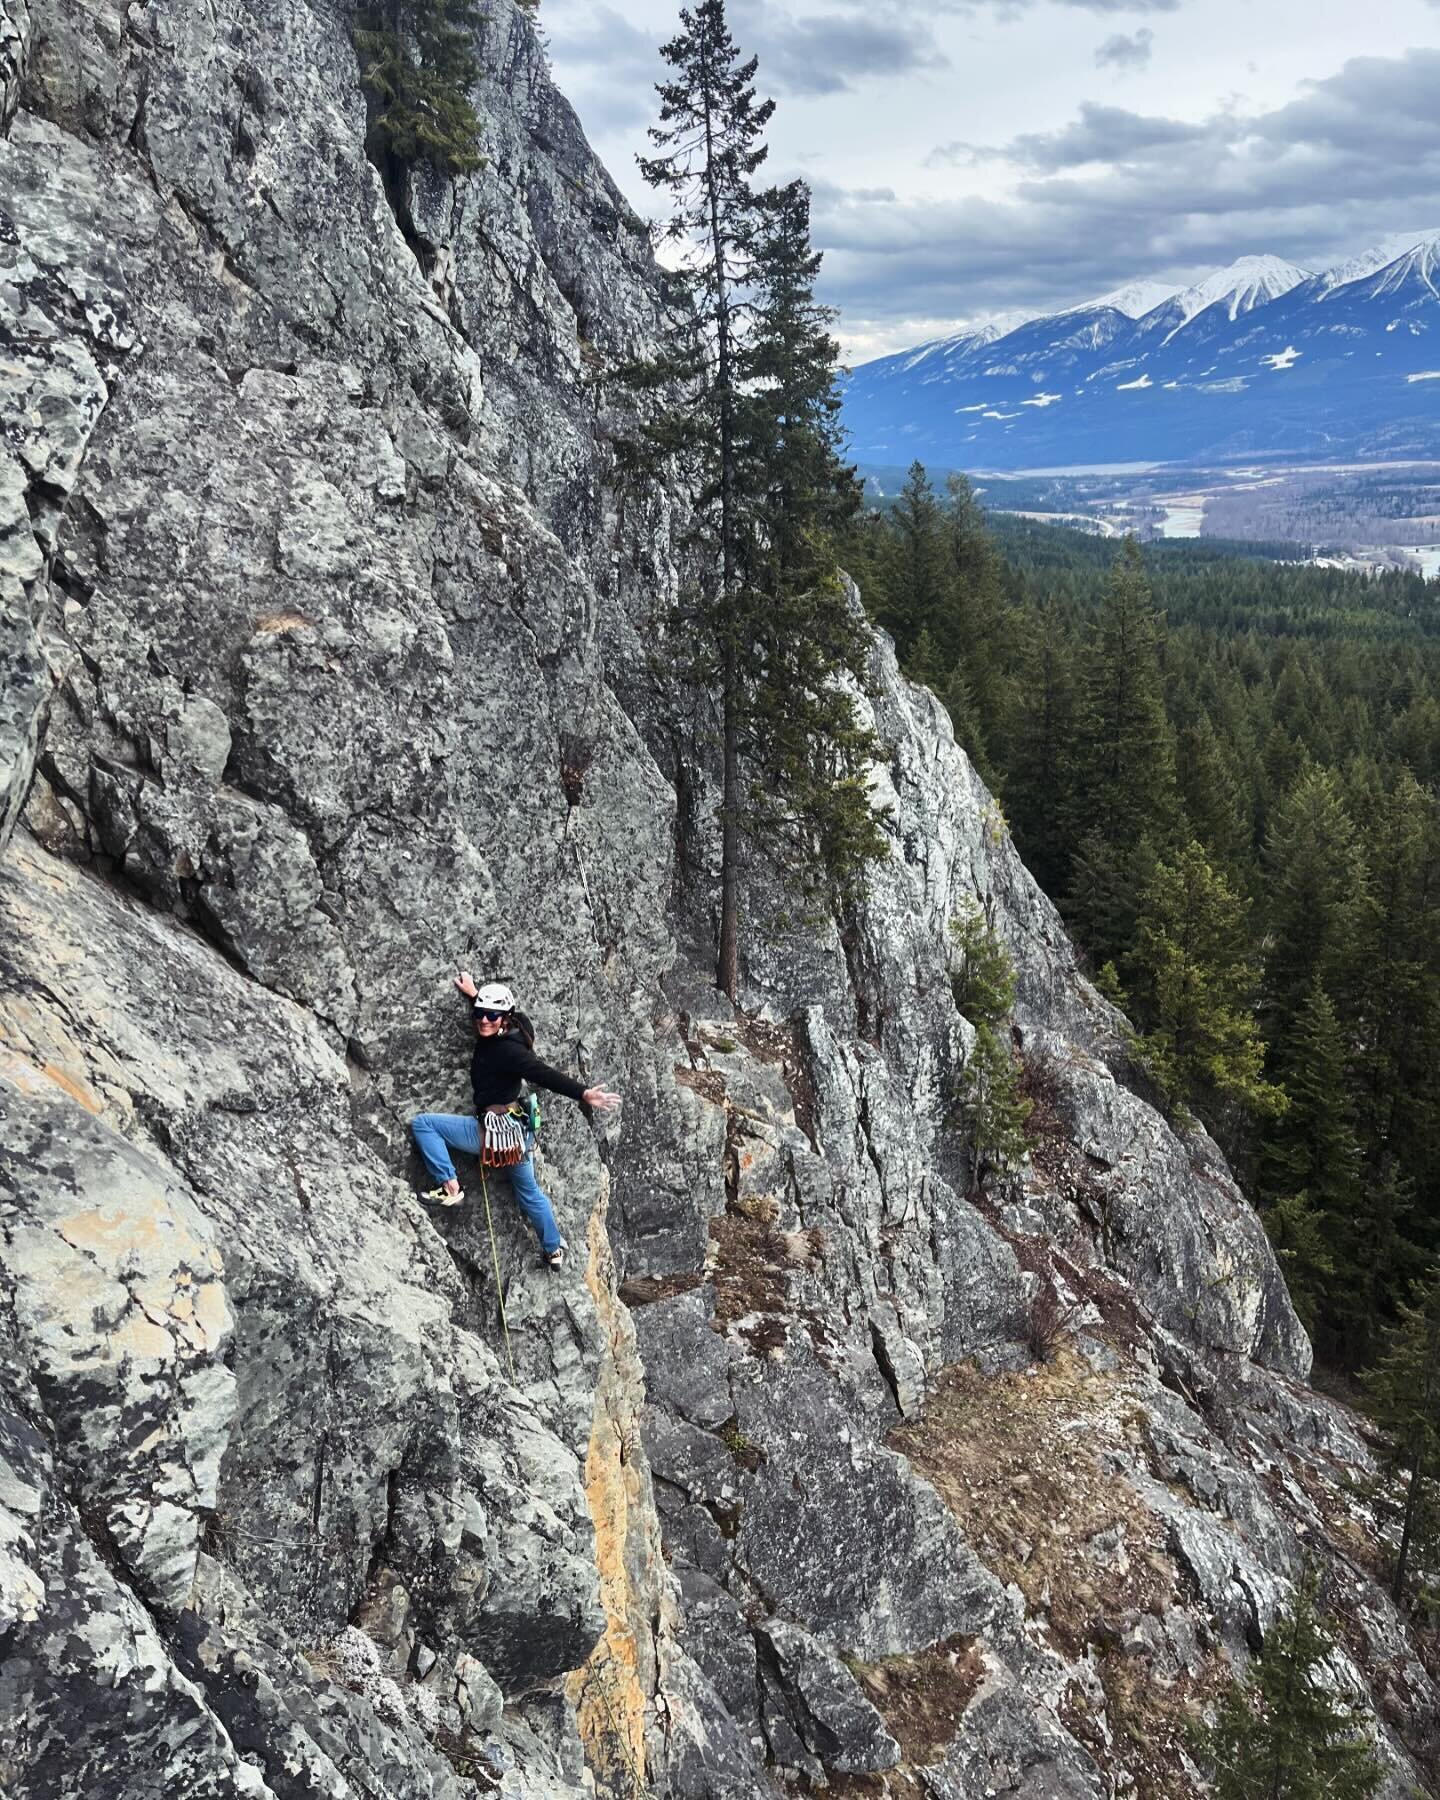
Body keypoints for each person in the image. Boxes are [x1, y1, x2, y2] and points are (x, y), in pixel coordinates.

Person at [411, 975, 620, 1270]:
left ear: (503, 1018)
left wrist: (583, 1093)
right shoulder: (516, 1026)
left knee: (424, 1125)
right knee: (530, 1193)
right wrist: (475, 995)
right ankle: (553, 1248)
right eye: (479, 1015)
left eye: (491, 1016)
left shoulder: (509, 1051)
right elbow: (491, 1011)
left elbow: (542, 1073)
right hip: (518, 1135)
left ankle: (450, 1187)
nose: (483, 1020)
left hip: (490, 1132)